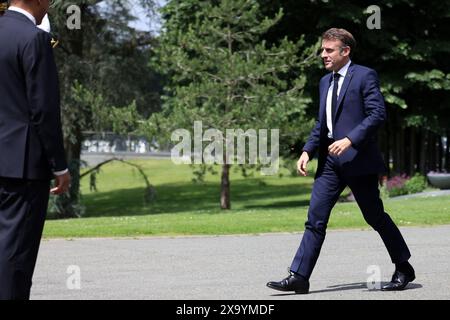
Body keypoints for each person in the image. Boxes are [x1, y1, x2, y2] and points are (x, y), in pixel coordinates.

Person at [267, 28, 415, 294]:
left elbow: (377, 114)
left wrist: (350, 139)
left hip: (358, 161)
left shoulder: (364, 75)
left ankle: (403, 266)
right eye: (322, 50)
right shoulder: (325, 82)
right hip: (329, 165)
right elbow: (321, 125)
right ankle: (299, 275)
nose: (323, 55)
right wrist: (307, 151)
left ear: (345, 51)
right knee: (315, 218)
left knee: (374, 216)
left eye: (329, 50)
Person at [0, 0, 71, 299]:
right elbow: (43, 109)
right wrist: (60, 166)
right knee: (16, 256)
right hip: (23, 166)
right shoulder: (35, 39)